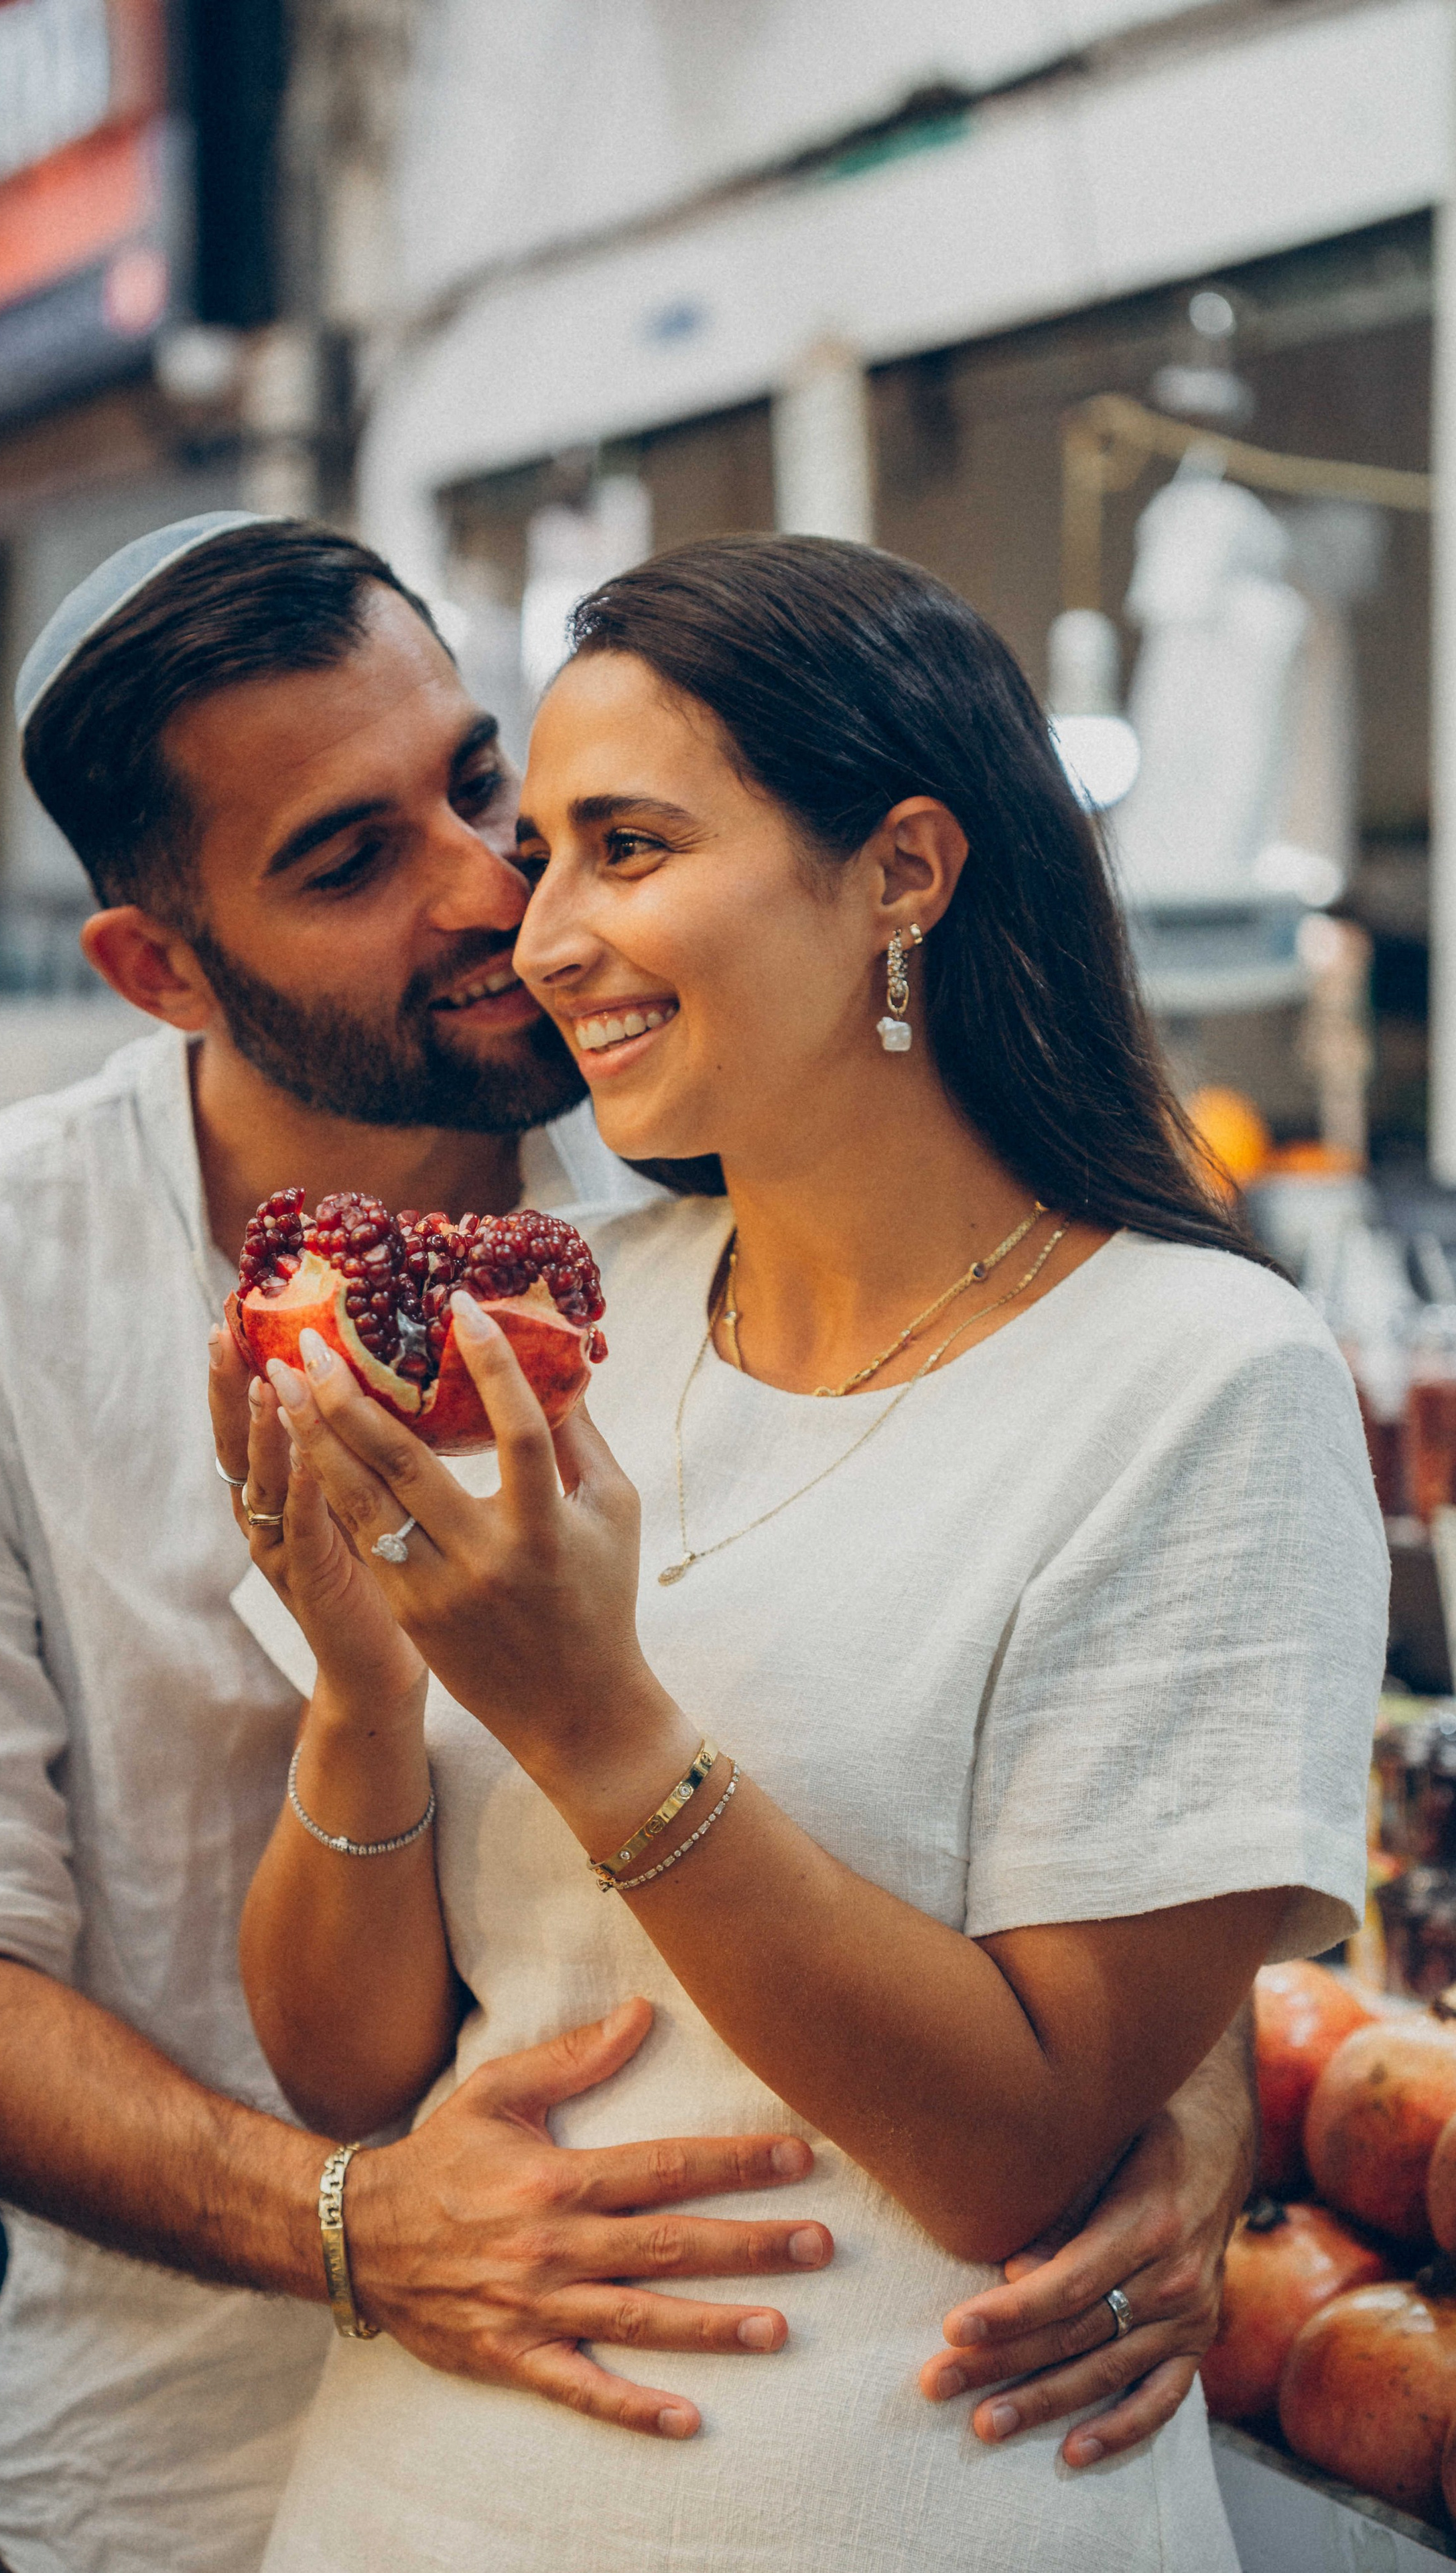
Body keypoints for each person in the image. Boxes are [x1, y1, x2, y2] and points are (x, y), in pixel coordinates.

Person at [0, 514, 1246, 2573]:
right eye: (349, 861)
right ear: (158, 967)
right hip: (188, 2468)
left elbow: (1030, 1712)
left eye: (481, 786)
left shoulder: (729, 1171)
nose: (499, 894)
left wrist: (1180, 2103)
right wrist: (358, 2225)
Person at [223, 536, 1385, 2572]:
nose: (544, 929)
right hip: (409, 2504)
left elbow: (1014, 2154)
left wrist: (597, 1728)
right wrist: (364, 1692)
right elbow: (349, 2068)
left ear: (906, 871)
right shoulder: (572, 1313)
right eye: (543, 852)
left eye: (630, 846)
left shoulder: (1203, 1380)